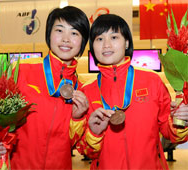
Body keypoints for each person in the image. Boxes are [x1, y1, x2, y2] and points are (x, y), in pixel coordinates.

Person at [75, 14, 188, 170]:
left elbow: (170, 133)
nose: (106, 45)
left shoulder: (152, 81)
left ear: (127, 42)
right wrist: (94, 133)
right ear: (92, 46)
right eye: (99, 39)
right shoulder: (86, 90)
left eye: (114, 37)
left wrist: (181, 122)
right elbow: (85, 150)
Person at [0, 6, 89, 169]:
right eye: (59, 30)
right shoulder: (19, 71)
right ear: (49, 34)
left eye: (74, 33)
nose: (66, 39)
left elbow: (72, 144)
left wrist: (77, 118)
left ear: (83, 41)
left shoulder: (82, 88)